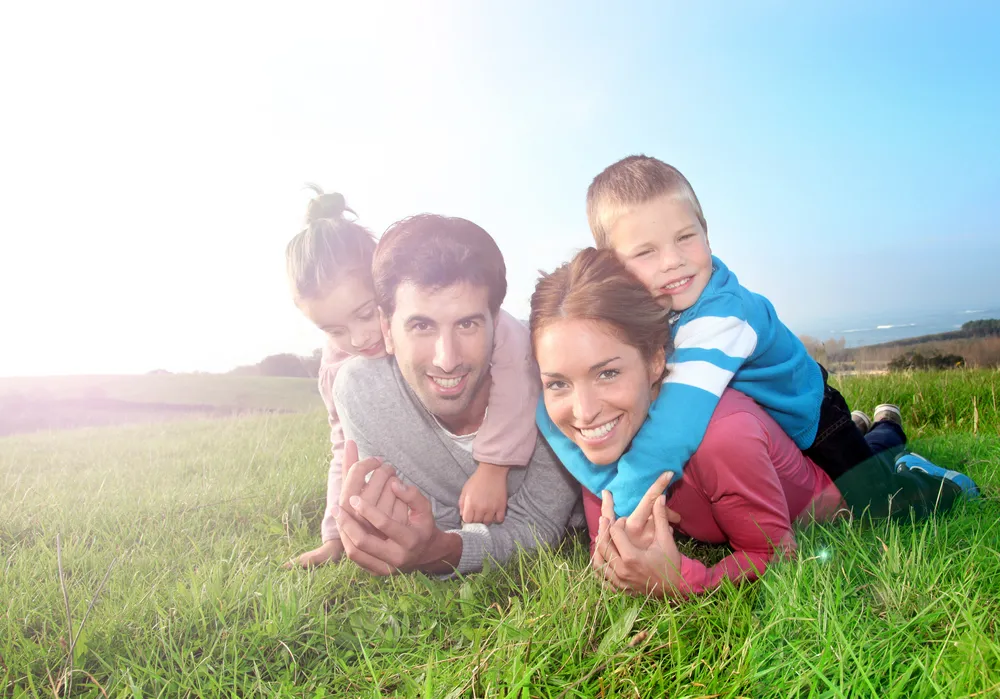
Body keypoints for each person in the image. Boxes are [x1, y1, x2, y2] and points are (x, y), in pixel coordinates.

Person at [530, 248, 978, 597]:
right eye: (558, 384)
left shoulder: (722, 438)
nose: (584, 412)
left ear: (654, 361)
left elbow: (773, 552)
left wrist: (686, 582)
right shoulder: (592, 440)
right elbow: (605, 553)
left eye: (607, 373)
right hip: (774, 452)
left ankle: (898, 443)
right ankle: (873, 424)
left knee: (878, 476)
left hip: (824, 493)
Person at [538, 154, 888, 517]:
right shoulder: (642, 308)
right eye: (646, 252)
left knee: (879, 501)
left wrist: (624, 505)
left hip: (807, 414)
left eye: (685, 237)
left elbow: (675, 424)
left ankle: (902, 448)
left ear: (705, 231)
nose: (672, 260)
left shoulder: (723, 316)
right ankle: (873, 430)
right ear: (613, 264)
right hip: (760, 425)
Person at [283, 187, 545, 569]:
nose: (359, 338)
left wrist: (494, 467)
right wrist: (336, 533)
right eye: (335, 330)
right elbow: (344, 451)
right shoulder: (344, 374)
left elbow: (520, 380)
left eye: (364, 313)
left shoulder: (506, 332)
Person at [329, 213, 580, 576]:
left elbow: (540, 525)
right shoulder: (362, 393)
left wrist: (442, 550)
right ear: (386, 328)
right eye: (421, 325)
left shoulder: (549, 372)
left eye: (467, 324)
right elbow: (426, 523)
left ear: (497, 321)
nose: (447, 359)